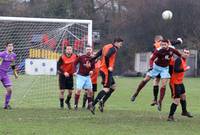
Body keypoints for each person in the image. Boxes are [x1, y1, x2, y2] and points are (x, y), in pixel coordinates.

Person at [131, 39, 182, 111]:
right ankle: (136, 93)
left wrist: (180, 61)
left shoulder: (172, 49)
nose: (163, 46)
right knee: (146, 79)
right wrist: (151, 66)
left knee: (164, 85)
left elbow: (180, 55)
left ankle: (160, 101)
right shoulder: (158, 50)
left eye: (165, 44)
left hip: (165, 69)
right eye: (162, 45)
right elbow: (151, 59)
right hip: (156, 67)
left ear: (168, 44)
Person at [89, 37, 124, 114]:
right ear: (116, 42)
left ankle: (102, 102)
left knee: (113, 87)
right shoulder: (114, 49)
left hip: (104, 70)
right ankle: (93, 104)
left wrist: (90, 60)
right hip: (106, 71)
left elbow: (98, 54)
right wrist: (109, 67)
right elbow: (107, 56)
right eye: (120, 44)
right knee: (106, 89)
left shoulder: (106, 46)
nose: (121, 45)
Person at [151, 36, 183, 106]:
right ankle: (156, 99)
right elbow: (154, 54)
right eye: (159, 41)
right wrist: (179, 41)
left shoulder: (166, 45)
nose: (160, 43)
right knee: (159, 80)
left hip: (168, 65)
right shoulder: (158, 47)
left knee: (166, 81)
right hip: (160, 65)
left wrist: (179, 41)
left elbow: (172, 44)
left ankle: (158, 99)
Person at [168, 49, 193, 121]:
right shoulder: (179, 59)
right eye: (184, 52)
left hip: (180, 82)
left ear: (188, 55)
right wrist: (185, 69)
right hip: (174, 82)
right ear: (182, 53)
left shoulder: (184, 60)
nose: (186, 54)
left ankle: (184, 111)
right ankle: (170, 117)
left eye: (187, 53)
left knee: (183, 96)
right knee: (176, 100)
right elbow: (176, 70)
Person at [74, 46, 95, 110]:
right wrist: (75, 71)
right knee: (78, 90)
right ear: (85, 50)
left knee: (90, 91)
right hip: (80, 76)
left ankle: (89, 106)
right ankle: (75, 105)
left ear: (91, 50)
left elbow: (93, 67)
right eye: (87, 49)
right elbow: (74, 63)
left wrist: (91, 71)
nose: (88, 51)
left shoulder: (92, 58)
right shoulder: (81, 57)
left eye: (90, 49)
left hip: (87, 77)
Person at [0, 41, 18, 109]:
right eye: (9, 46)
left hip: (4, 74)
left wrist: (15, 74)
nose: (11, 47)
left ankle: (6, 105)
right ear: (6, 47)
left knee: (9, 90)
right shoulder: (2, 54)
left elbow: (13, 65)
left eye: (12, 46)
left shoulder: (13, 55)